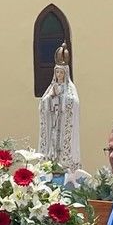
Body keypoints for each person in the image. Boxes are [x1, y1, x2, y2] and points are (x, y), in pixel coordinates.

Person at [38, 43, 81, 172]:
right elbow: (43, 103)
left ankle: (65, 166)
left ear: (65, 73)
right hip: (53, 126)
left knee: (63, 148)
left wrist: (61, 98)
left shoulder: (70, 88)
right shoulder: (52, 87)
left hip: (63, 126)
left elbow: (74, 102)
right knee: (52, 148)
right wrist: (51, 97)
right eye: (57, 72)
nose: (59, 74)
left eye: (61, 72)